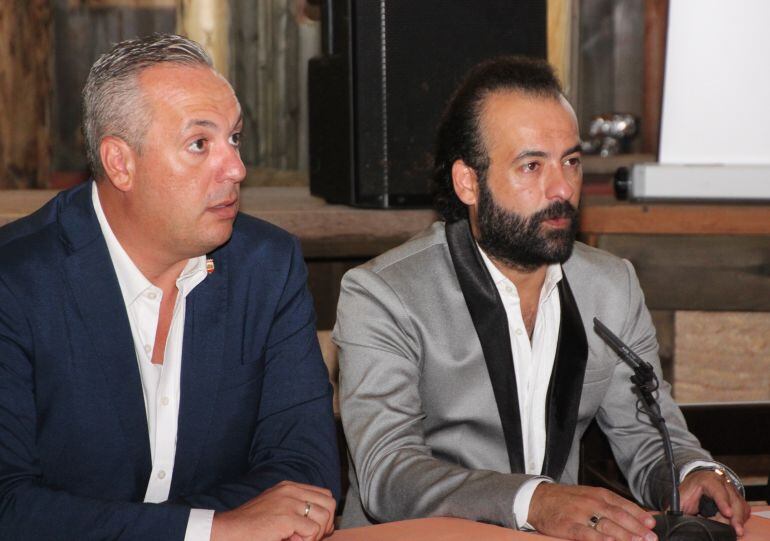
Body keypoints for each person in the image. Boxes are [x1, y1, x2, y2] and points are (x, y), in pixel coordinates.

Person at [333, 56, 750, 540]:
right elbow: (389, 474)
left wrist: (693, 474)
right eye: (531, 165)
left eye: (571, 162)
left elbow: (649, 436)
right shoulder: (383, 295)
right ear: (468, 182)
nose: (561, 189)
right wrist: (534, 500)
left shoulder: (611, 286)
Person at [0, 33, 339, 541]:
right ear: (121, 163)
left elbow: (306, 475)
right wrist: (209, 529)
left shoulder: (266, 266)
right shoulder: (16, 280)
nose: (236, 168)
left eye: (235, 138)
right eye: (200, 144)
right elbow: (9, 506)